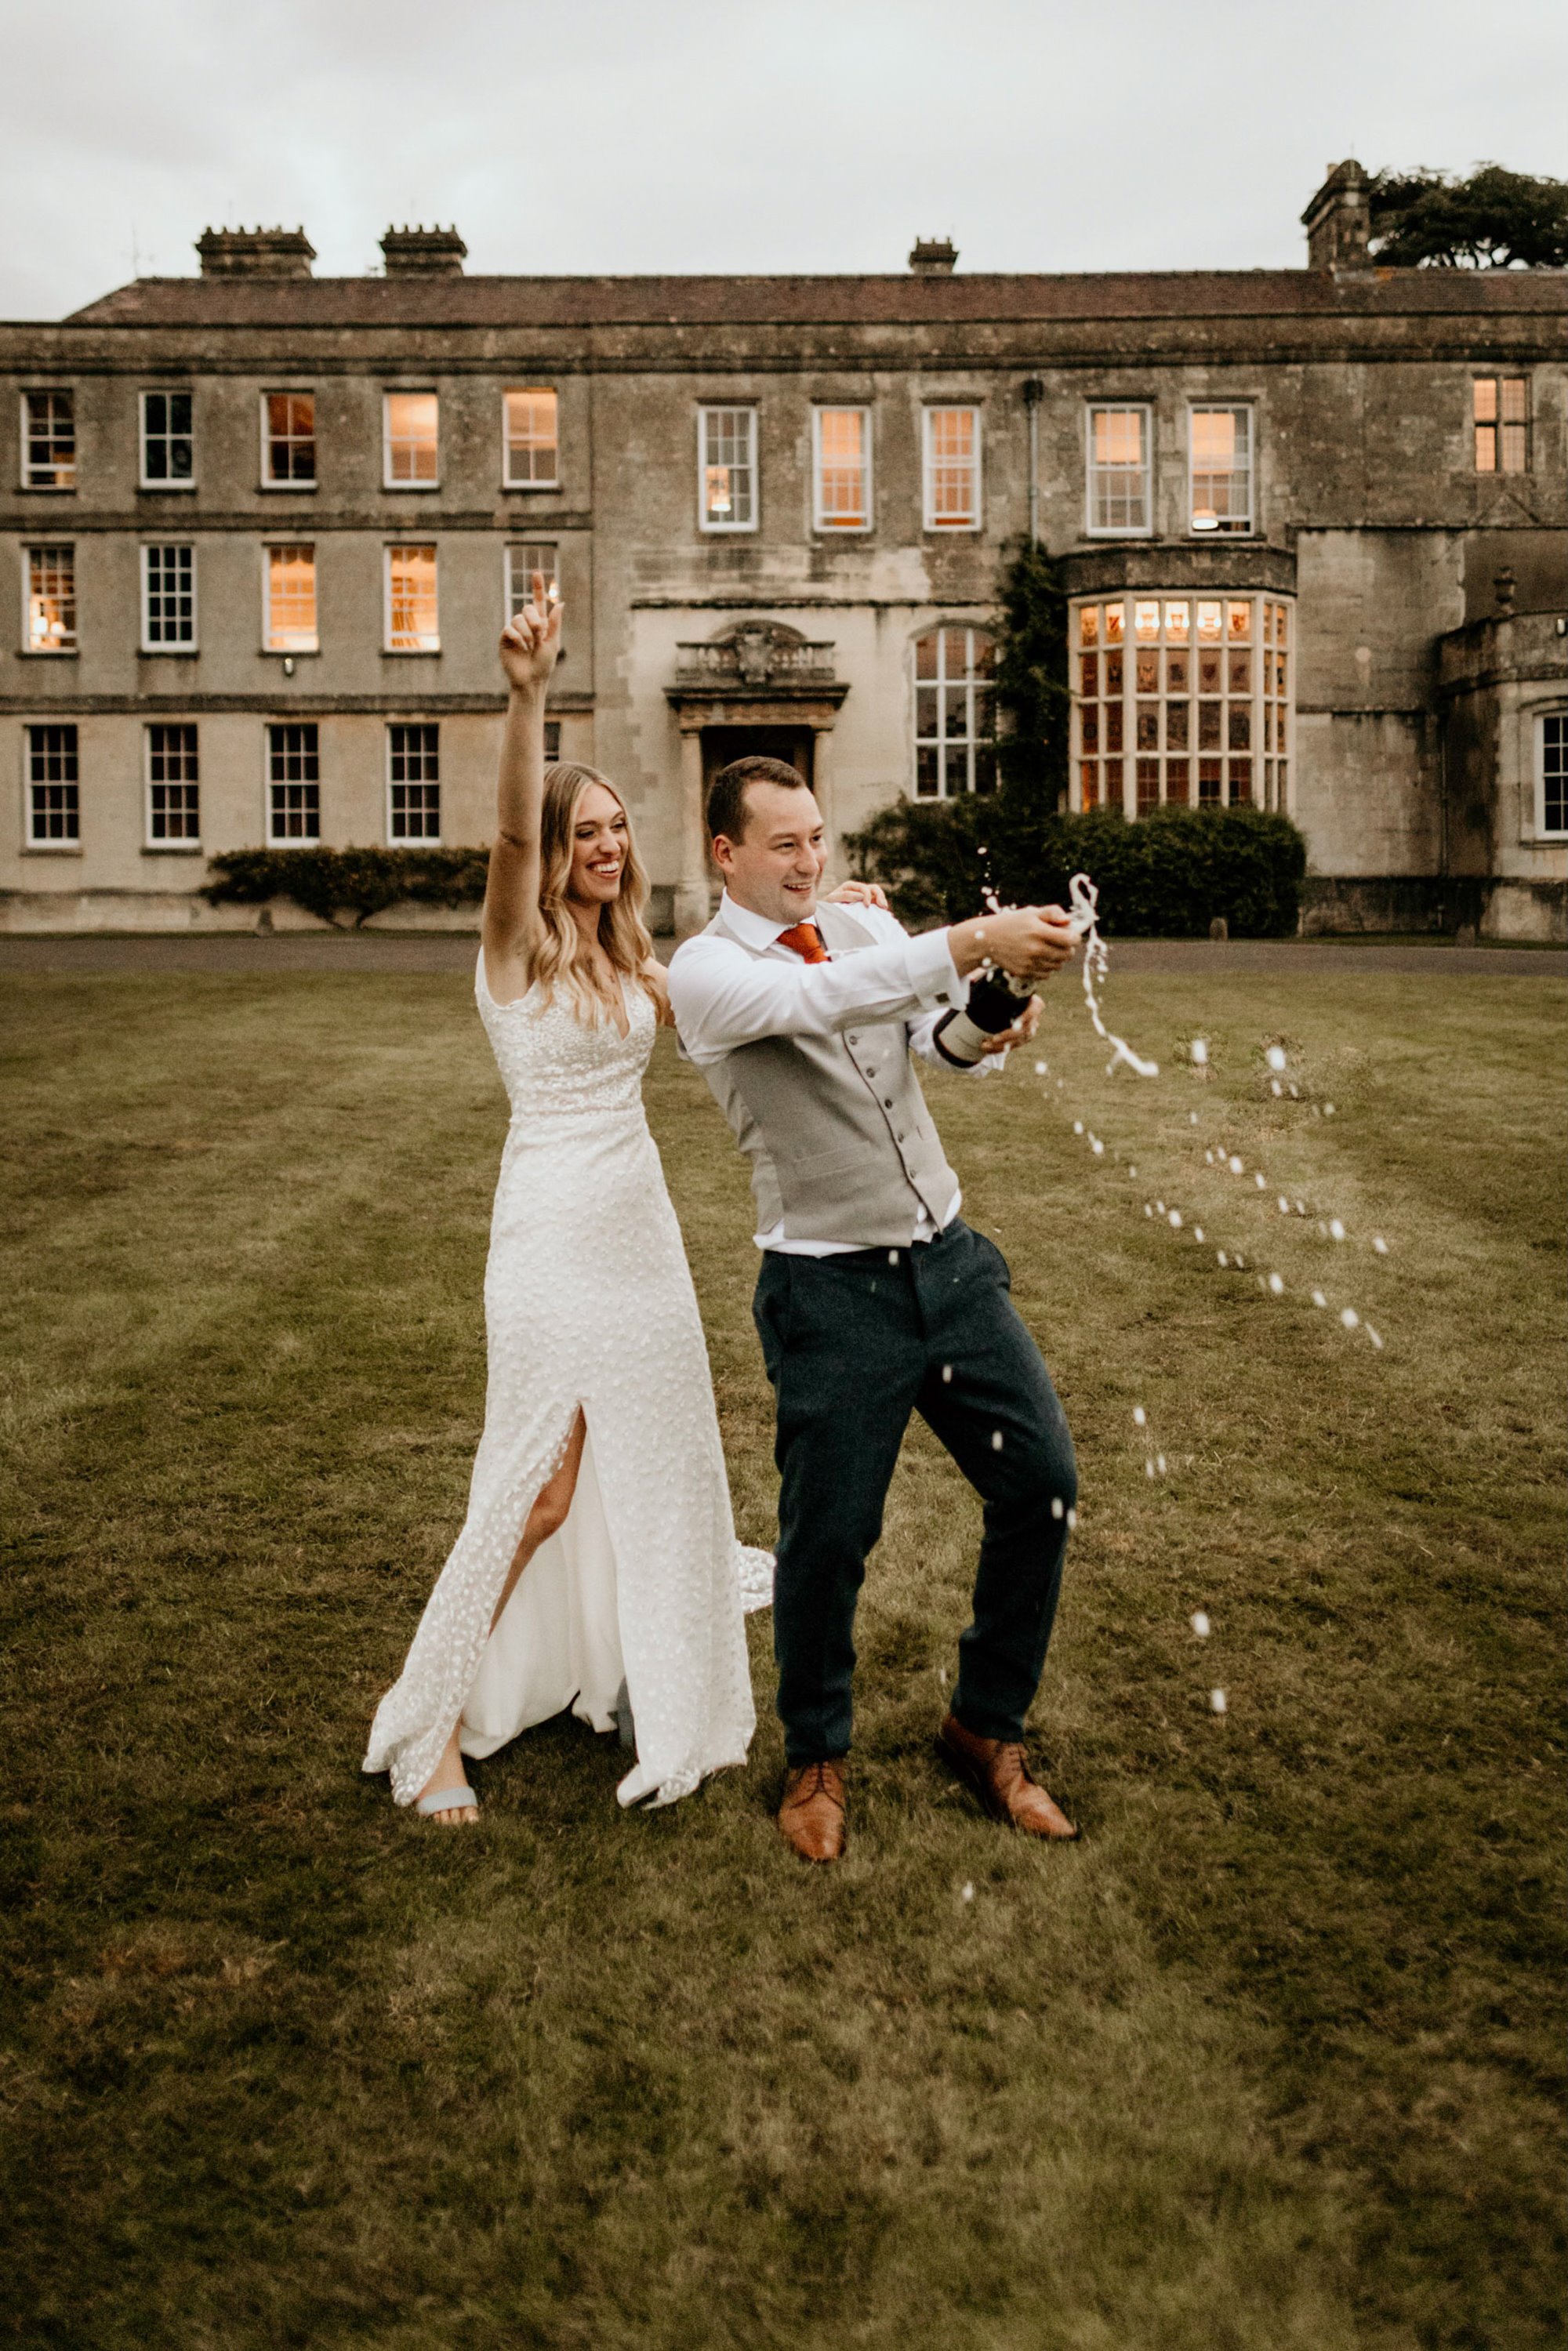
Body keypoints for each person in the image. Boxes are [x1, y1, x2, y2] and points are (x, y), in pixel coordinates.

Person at [364, 579, 782, 1819]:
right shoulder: (509, 945)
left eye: (613, 829)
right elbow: (503, 841)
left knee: (648, 1464)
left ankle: (647, 1676)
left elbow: (730, 983)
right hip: (547, 1233)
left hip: (639, 1238)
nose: (604, 847)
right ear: (553, 850)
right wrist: (527, 696)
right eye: (582, 832)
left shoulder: (625, 955)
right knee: (536, 1488)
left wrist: (830, 921)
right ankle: (430, 1725)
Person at [668, 757, 1081, 1864]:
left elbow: (931, 1045)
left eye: (818, 839)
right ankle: (815, 1757)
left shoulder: (855, 934)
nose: (811, 863)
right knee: (830, 1538)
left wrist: (989, 1009)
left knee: (1042, 1486)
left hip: (950, 1266)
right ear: (727, 855)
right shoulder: (705, 973)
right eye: (785, 845)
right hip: (828, 1292)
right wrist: (969, 941)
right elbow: (816, 1001)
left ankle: (984, 1728)